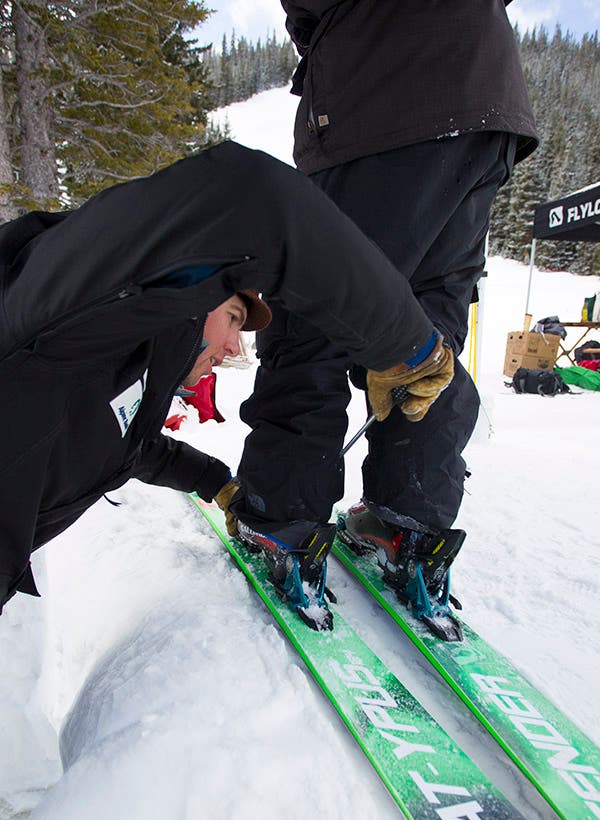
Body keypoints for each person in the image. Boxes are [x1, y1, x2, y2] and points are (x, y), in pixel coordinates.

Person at [0, 140, 450, 629]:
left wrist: (216, 483)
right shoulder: (46, 318)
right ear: (192, 296)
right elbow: (254, 198)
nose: (235, 348)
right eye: (234, 318)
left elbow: (124, 447)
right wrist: (406, 344)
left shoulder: (119, 367)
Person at [231, 0, 539, 636]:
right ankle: (407, 523)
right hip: (489, 105)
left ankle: (282, 517)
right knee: (424, 343)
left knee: (314, 313)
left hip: (382, 101)